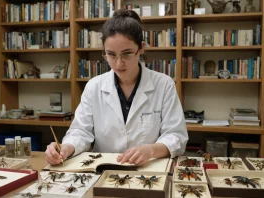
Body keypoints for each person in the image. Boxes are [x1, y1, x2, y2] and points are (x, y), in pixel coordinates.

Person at [45, 9, 188, 166]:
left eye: (127, 54)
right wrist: (66, 148)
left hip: (149, 169)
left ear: (141, 48)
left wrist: (151, 150)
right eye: (111, 55)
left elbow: (176, 135)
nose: (118, 64)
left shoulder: (164, 84)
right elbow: (80, 132)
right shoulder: (94, 86)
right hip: (102, 169)